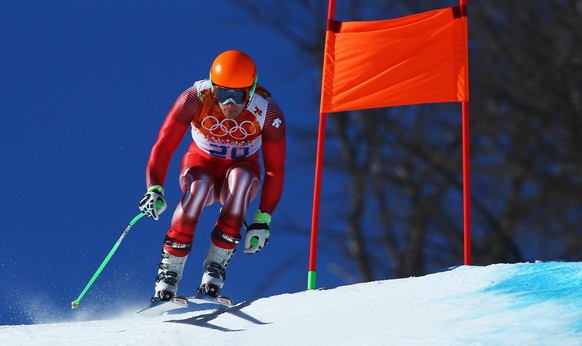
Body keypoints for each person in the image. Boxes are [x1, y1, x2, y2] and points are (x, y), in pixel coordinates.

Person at [138, 50, 286, 302]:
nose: (229, 103)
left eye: (238, 95)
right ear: (213, 87)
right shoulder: (195, 98)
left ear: (250, 91)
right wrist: (155, 188)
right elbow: (164, 145)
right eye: (223, 94)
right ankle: (168, 277)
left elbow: (275, 169)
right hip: (200, 164)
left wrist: (262, 220)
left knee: (240, 183)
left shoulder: (267, 111)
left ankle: (214, 274)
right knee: (199, 188)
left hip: (242, 169)